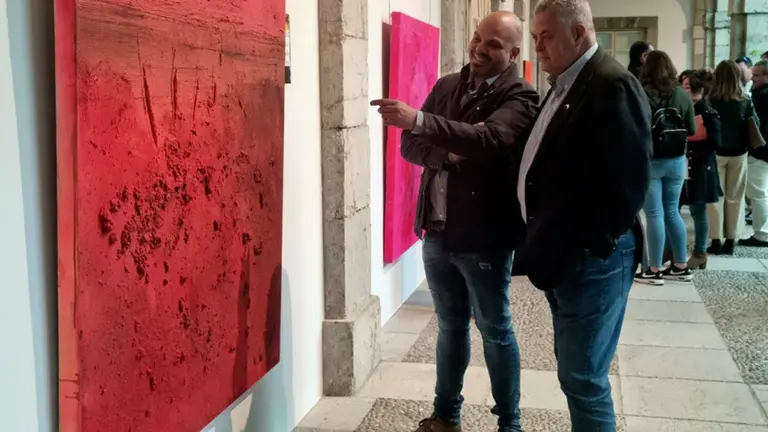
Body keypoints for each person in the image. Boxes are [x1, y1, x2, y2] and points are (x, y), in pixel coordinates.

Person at [371, 11, 539, 432]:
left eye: (494, 45)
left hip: (484, 234)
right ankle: (446, 416)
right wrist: (447, 152)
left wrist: (421, 121)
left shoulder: (521, 96)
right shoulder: (448, 85)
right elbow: (410, 146)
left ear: (514, 53)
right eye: (478, 38)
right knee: (449, 327)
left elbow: (491, 139)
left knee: (495, 329)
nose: (479, 49)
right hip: (437, 228)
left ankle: (510, 424)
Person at [514, 0, 650, 430]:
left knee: (584, 377)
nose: (538, 47)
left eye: (546, 37)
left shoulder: (611, 84)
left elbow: (628, 183)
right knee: (574, 371)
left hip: (591, 259)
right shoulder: (566, 83)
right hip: (564, 252)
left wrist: (587, 245)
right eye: (534, 38)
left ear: (579, 33)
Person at [633, 51, 696, 285]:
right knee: (672, 211)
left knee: (654, 214)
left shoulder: (642, 93)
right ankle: (681, 265)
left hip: (652, 160)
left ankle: (654, 269)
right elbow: (691, 129)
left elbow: (637, 128)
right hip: (677, 160)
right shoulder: (681, 93)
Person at [708, 60, 758, 255]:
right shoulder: (745, 100)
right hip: (739, 153)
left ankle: (716, 240)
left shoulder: (711, 100)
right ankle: (731, 239)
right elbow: (755, 124)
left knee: (715, 198)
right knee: (735, 196)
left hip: (716, 153)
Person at [681, 69, 722, 269]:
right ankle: (672, 249)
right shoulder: (684, 108)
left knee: (698, 210)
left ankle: (700, 252)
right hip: (684, 165)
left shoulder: (707, 113)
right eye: (683, 86)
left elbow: (715, 142)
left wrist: (690, 148)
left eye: (688, 87)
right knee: (675, 209)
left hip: (700, 166)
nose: (684, 90)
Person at [740, 60, 768, 247]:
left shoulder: (763, 96)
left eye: (757, 76)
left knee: (758, 194)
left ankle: (762, 234)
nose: (753, 79)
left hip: (761, 151)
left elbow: (756, 125)